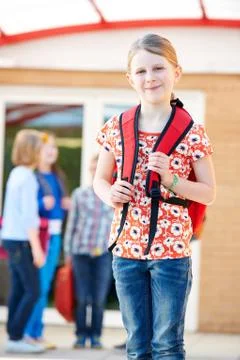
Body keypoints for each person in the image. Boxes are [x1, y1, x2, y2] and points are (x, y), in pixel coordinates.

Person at [93, 33, 216, 359]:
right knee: (137, 344)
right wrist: (110, 193)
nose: (150, 78)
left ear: (176, 72)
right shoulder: (115, 126)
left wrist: (171, 179)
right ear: (130, 78)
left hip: (172, 253)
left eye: (158, 68)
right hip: (126, 251)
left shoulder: (193, 131)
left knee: (167, 344)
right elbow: (99, 181)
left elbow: (208, 192)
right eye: (141, 71)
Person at [24, 132, 71, 349]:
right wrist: (43, 203)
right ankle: (28, 333)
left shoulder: (57, 176)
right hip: (39, 237)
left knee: (44, 287)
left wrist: (64, 205)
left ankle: (37, 333)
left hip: (55, 236)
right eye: (47, 148)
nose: (52, 151)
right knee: (37, 286)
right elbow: (25, 209)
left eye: (55, 147)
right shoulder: (31, 177)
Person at [2, 129, 46, 354]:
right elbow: (28, 216)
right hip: (21, 241)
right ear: (32, 150)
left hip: (11, 238)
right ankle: (16, 337)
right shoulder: (27, 177)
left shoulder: (16, 173)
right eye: (40, 147)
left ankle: (15, 336)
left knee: (19, 289)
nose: (43, 152)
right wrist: (37, 249)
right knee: (33, 290)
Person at [64, 154, 113, 349]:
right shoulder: (79, 194)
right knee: (83, 297)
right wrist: (68, 251)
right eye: (93, 167)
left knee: (99, 298)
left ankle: (95, 337)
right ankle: (81, 335)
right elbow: (71, 224)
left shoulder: (112, 195)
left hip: (103, 254)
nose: (95, 170)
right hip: (80, 253)